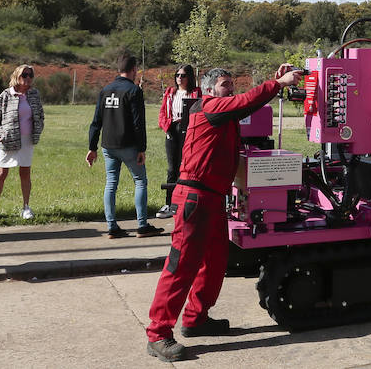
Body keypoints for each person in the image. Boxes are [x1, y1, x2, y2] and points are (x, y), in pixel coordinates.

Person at [144, 64, 299, 362]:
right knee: (181, 265)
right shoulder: (209, 106)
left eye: (232, 84)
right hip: (195, 198)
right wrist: (278, 83)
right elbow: (244, 102)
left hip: (213, 199)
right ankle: (158, 333)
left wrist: (275, 83)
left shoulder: (224, 113)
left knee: (215, 260)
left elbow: (246, 105)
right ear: (210, 88)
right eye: (226, 84)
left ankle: (195, 318)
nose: (231, 88)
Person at [87, 51, 164, 239]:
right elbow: (139, 123)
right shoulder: (134, 91)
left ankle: (112, 227)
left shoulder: (105, 90)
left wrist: (92, 147)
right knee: (140, 181)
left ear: (118, 69)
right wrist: (142, 148)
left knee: (111, 183)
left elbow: (96, 121)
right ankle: (142, 225)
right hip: (128, 145)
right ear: (134, 69)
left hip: (108, 145)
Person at [0, 64, 45, 223]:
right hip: (8, 141)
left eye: (30, 75)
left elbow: (40, 114)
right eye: (24, 75)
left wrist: (38, 129)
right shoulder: (6, 95)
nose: (28, 78)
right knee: (1, 174)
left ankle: (26, 207)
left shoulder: (34, 94)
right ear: (17, 76)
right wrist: (0, 135)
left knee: (25, 173)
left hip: (27, 141)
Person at [156, 64, 199, 219]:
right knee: (172, 168)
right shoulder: (170, 92)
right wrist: (166, 128)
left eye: (183, 75)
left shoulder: (195, 93)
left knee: (186, 167)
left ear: (190, 78)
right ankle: (169, 202)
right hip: (172, 130)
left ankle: (184, 202)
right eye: (177, 75)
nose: (179, 78)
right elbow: (162, 114)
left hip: (188, 131)